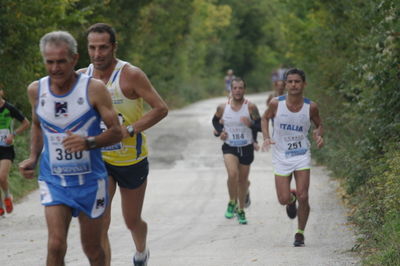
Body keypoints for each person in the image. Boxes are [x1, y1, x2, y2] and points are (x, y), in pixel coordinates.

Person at [19, 31, 122, 266]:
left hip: (90, 182)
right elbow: (37, 125)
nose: (55, 68)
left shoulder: (94, 89)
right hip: (55, 180)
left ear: (74, 59)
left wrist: (88, 143)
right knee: (56, 245)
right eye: (49, 62)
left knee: (93, 249)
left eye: (61, 61)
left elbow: (116, 131)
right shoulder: (36, 90)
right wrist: (33, 158)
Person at [80, 23, 168, 266]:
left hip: (131, 159)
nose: (97, 54)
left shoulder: (131, 75)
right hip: (99, 161)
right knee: (100, 223)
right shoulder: (81, 78)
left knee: (132, 220)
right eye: (92, 48)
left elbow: (161, 108)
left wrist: (129, 130)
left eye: (103, 48)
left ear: (114, 47)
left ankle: (141, 251)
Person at [261, 68, 324, 247]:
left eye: (297, 81)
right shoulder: (275, 104)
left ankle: (300, 233)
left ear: (304, 84)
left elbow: (319, 125)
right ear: (285, 84)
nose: (294, 85)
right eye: (290, 82)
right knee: (283, 199)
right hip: (281, 155)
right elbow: (264, 119)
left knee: (304, 196)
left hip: (301, 154)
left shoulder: (310, 106)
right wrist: (266, 137)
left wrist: (319, 135)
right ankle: (291, 199)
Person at [212, 77, 261, 225]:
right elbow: (215, 121)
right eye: (235, 88)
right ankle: (232, 202)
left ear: (244, 90)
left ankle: (241, 210)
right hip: (230, 146)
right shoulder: (222, 107)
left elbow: (260, 125)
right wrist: (221, 131)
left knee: (242, 181)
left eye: (240, 88)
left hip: (246, 147)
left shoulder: (251, 107)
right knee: (232, 174)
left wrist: (251, 124)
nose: (238, 91)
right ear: (231, 90)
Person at [0, 88, 30, 216]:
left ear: (1, 92)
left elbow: (26, 123)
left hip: (6, 148)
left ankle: (7, 195)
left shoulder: (9, 108)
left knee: (1, 176)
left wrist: (13, 134)